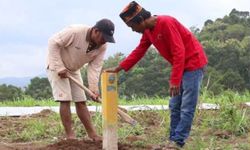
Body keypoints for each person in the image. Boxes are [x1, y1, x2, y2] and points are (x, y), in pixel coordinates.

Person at [105, 1, 207, 148]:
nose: (133, 30)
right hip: (180, 67)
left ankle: (178, 141)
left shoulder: (166, 22)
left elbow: (179, 52)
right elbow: (139, 51)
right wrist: (119, 68)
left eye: (132, 26)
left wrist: (175, 80)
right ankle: (172, 140)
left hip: (193, 64)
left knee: (186, 106)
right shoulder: (148, 31)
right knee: (174, 105)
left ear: (140, 20)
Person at [46, 18, 115, 141]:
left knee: (81, 101)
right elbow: (53, 42)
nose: (104, 42)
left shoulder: (102, 47)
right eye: (103, 38)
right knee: (65, 99)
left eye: (107, 39)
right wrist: (59, 67)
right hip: (56, 65)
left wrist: (93, 89)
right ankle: (70, 135)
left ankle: (93, 134)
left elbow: (94, 67)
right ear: (95, 31)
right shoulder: (75, 31)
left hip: (74, 69)